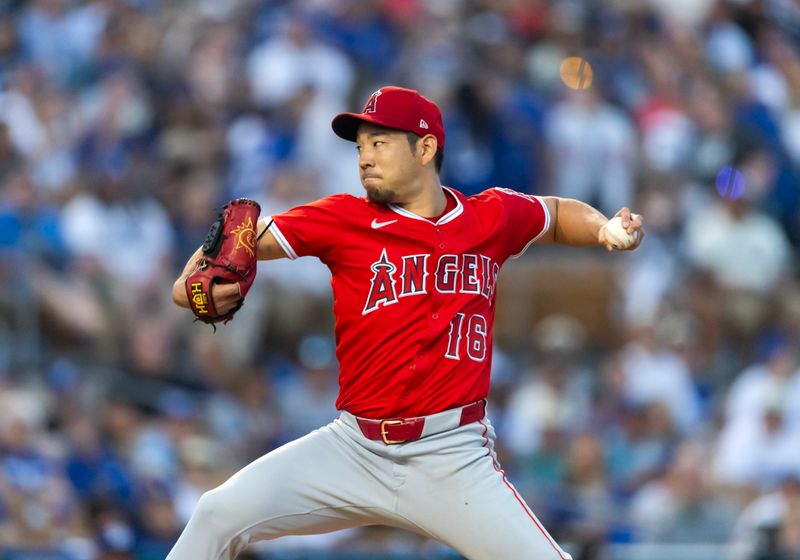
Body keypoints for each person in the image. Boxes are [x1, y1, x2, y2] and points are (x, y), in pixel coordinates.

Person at [167, 86, 644, 560]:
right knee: (216, 514)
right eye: (360, 147)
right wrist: (187, 287)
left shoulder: (491, 216)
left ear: (426, 148)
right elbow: (239, 236)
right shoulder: (343, 219)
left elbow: (557, 214)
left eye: (379, 143)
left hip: (452, 456)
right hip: (353, 447)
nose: (364, 159)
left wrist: (602, 227)